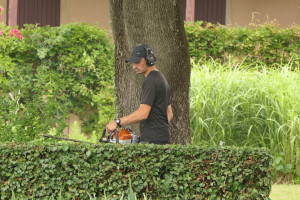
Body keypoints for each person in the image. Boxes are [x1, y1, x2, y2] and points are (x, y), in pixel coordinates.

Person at [106, 44, 173, 144]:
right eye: (133, 63)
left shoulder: (151, 80)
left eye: (137, 62)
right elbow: (169, 113)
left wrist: (118, 122)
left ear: (149, 59)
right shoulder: (160, 78)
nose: (134, 66)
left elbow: (143, 113)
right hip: (162, 140)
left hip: (153, 143)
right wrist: (158, 130)